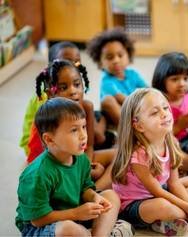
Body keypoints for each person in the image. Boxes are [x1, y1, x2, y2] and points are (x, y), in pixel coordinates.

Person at [111, 88, 188, 236]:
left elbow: (174, 183)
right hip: (133, 205)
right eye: (155, 113)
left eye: (165, 108)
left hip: (159, 193)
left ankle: (173, 219)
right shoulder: (139, 155)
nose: (164, 114)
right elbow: (157, 192)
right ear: (139, 126)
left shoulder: (170, 143)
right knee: (163, 206)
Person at [15, 97, 124, 236]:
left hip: (73, 213)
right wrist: (76, 214)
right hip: (41, 226)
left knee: (111, 196)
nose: (83, 135)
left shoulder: (81, 159)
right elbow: (37, 220)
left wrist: (94, 197)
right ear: (49, 139)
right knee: (68, 229)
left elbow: (85, 188)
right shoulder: (36, 175)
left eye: (83, 127)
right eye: (74, 130)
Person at [29, 59, 116, 190]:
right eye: (64, 87)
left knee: (119, 155)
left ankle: (94, 191)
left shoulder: (86, 107)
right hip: (55, 165)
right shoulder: (49, 117)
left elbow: (89, 146)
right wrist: (83, 171)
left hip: (79, 158)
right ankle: (84, 191)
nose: (73, 91)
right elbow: (48, 159)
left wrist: (86, 166)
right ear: (50, 93)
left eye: (77, 84)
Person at [19, 41, 81, 155]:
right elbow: (41, 137)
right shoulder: (44, 97)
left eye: (76, 62)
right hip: (38, 146)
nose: (71, 66)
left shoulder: (74, 82)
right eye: (66, 61)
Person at [152, 52, 188, 172]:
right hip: (166, 142)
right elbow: (156, 137)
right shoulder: (156, 101)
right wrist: (181, 124)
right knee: (170, 147)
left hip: (187, 141)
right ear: (162, 79)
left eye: (186, 78)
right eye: (175, 79)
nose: (182, 83)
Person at [87, 27, 147, 128]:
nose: (116, 60)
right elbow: (122, 99)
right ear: (100, 62)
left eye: (120, 55)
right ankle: (131, 131)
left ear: (128, 55)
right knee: (108, 100)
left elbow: (147, 90)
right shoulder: (106, 81)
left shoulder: (133, 74)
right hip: (119, 117)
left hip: (137, 112)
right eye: (110, 57)